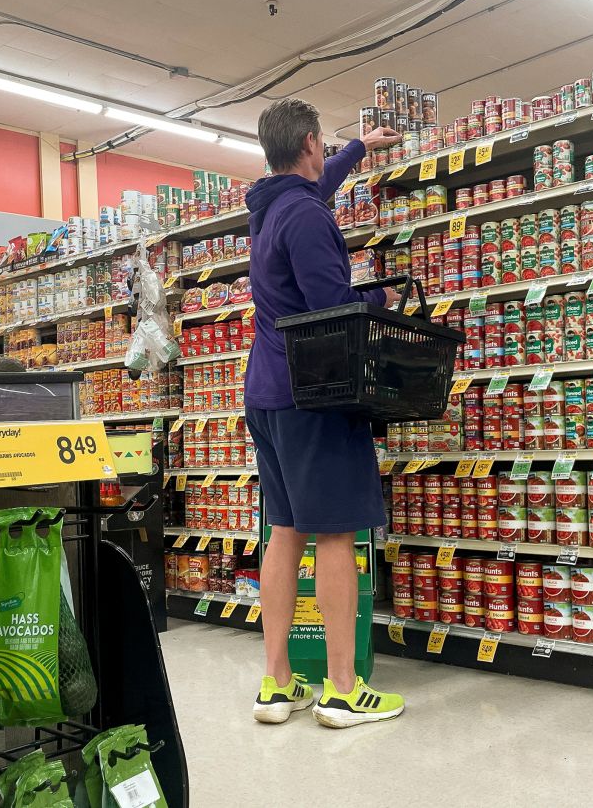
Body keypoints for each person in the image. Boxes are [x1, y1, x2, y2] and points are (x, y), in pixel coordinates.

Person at [243, 97, 404, 728]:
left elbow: (316, 187)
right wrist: (382, 294)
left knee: (285, 531)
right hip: (312, 393)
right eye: (324, 147)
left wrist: (359, 150)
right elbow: (331, 308)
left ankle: (277, 682)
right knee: (337, 532)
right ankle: (341, 688)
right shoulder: (305, 219)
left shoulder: (272, 208)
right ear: (310, 142)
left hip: (267, 392)